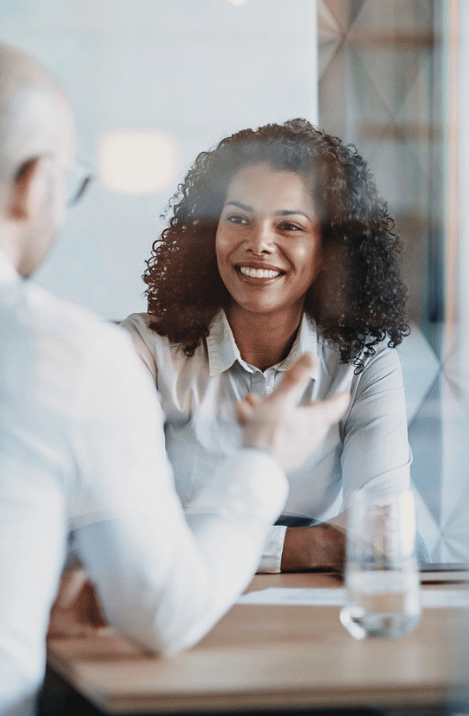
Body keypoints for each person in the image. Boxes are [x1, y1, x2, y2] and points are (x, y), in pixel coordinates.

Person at [0, 44, 349, 716]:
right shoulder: (72, 355)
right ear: (34, 183)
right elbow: (163, 611)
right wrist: (265, 460)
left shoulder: (360, 358)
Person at [121, 119, 412, 573]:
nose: (258, 244)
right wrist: (317, 546)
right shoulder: (143, 348)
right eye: (237, 218)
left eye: (290, 226)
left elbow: (383, 530)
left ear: (329, 250)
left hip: (312, 621)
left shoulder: (364, 360)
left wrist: (202, 538)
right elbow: (131, 532)